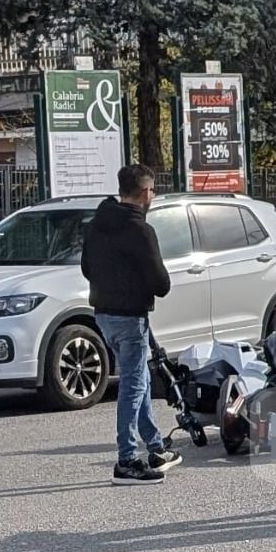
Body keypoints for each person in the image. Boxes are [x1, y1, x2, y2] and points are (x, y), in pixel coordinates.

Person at [82, 164, 181, 485]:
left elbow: (86, 267)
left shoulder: (98, 223)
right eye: (152, 191)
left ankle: (155, 445)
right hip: (130, 316)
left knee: (138, 379)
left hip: (103, 314)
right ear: (145, 193)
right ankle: (126, 460)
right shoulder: (141, 230)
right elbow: (161, 282)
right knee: (133, 386)